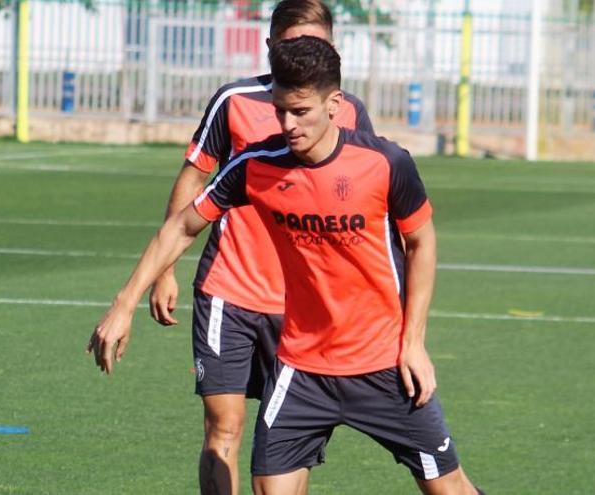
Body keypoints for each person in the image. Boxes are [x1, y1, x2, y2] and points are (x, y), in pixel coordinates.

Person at [89, 36, 480, 495]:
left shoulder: (385, 163)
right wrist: (123, 303)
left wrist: (413, 343)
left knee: (448, 487)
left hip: (383, 364)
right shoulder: (256, 167)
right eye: (280, 111)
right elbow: (181, 227)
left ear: (334, 104)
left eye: (301, 112)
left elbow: (421, 242)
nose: (288, 124)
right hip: (301, 370)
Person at [145, 1, 372, 493]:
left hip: (304, 309)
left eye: (316, 44)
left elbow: (366, 199)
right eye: (290, 45)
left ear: (334, 50)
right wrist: (165, 270)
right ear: (271, 47)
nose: (303, 54)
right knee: (223, 426)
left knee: (288, 446)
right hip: (230, 290)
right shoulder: (234, 101)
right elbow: (195, 177)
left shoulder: (348, 111)